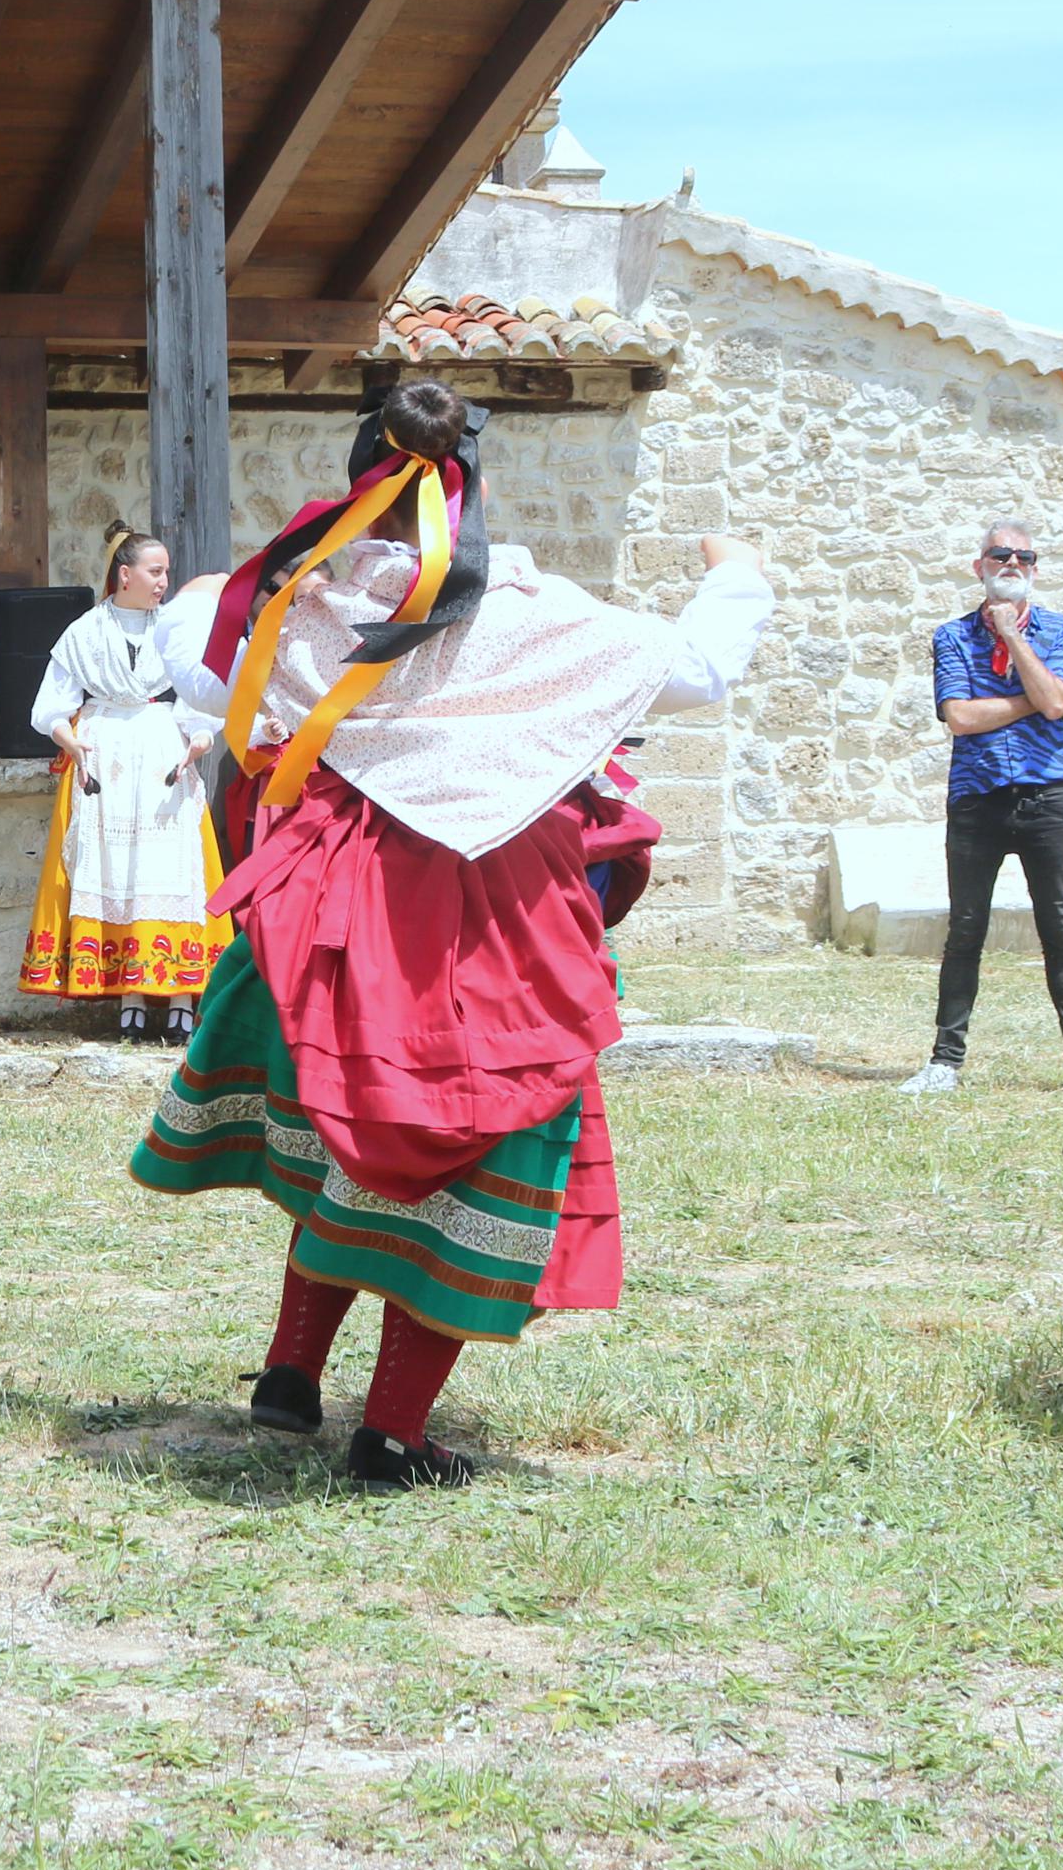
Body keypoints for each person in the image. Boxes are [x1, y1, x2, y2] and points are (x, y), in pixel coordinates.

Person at [131, 380, 777, 1490]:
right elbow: (698, 669)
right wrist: (736, 574)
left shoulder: (294, 608)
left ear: (353, 480)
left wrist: (200, 590)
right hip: (493, 922)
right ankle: (388, 1433)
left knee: (344, 1140)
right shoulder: (535, 613)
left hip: (334, 915)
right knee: (468, 1153)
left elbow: (192, 649)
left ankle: (290, 1375)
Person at [904, 517, 1063, 1097]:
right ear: (979, 566)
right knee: (965, 930)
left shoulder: (1060, 630)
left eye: (1024, 558)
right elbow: (962, 718)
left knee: (1060, 930)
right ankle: (944, 1063)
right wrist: (1041, 697)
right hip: (976, 797)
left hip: (1047, 794)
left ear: (1035, 569)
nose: (1011, 564)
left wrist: (1013, 638)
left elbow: (1059, 705)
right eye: (1000, 555)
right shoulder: (952, 637)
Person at [22, 528, 228, 1036]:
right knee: (116, 866)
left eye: (165, 572)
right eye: (155, 572)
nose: (164, 581)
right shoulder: (85, 633)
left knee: (172, 867)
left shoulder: (177, 629)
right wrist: (68, 738)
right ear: (125, 575)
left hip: (163, 750)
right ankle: (129, 997)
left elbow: (199, 695)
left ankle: (182, 996)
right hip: (106, 752)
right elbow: (50, 704)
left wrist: (200, 738)